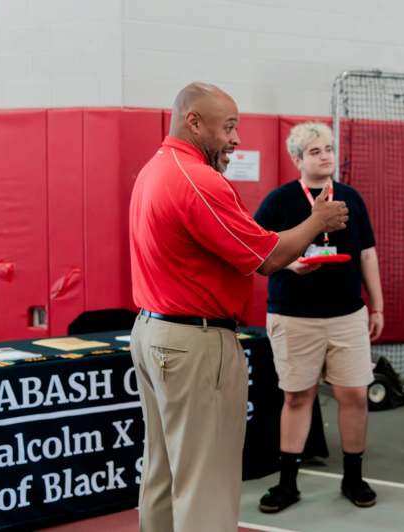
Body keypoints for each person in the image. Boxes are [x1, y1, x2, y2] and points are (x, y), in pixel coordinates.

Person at [128, 83, 348, 532]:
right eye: (228, 127)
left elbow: (218, 254)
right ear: (194, 122)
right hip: (196, 342)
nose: (235, 139)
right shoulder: (199, 180)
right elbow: (266, 257)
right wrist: (317, 222)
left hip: (154, 332)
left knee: (164, 471)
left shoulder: (154, 169)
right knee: (206, 481)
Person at [253, 122, 384, 513]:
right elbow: (259, 254)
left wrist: (376, 305)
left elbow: (367, 255)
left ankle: (353, 476)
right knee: (297, 396)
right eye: (315, 151)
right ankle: (287, 483)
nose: (325, 156)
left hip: (347, 314)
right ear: (297, 159)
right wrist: (291, 265)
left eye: (328, 148)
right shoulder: (278, 202)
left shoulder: (350, 199)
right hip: (294, 317)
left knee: (354, 394)